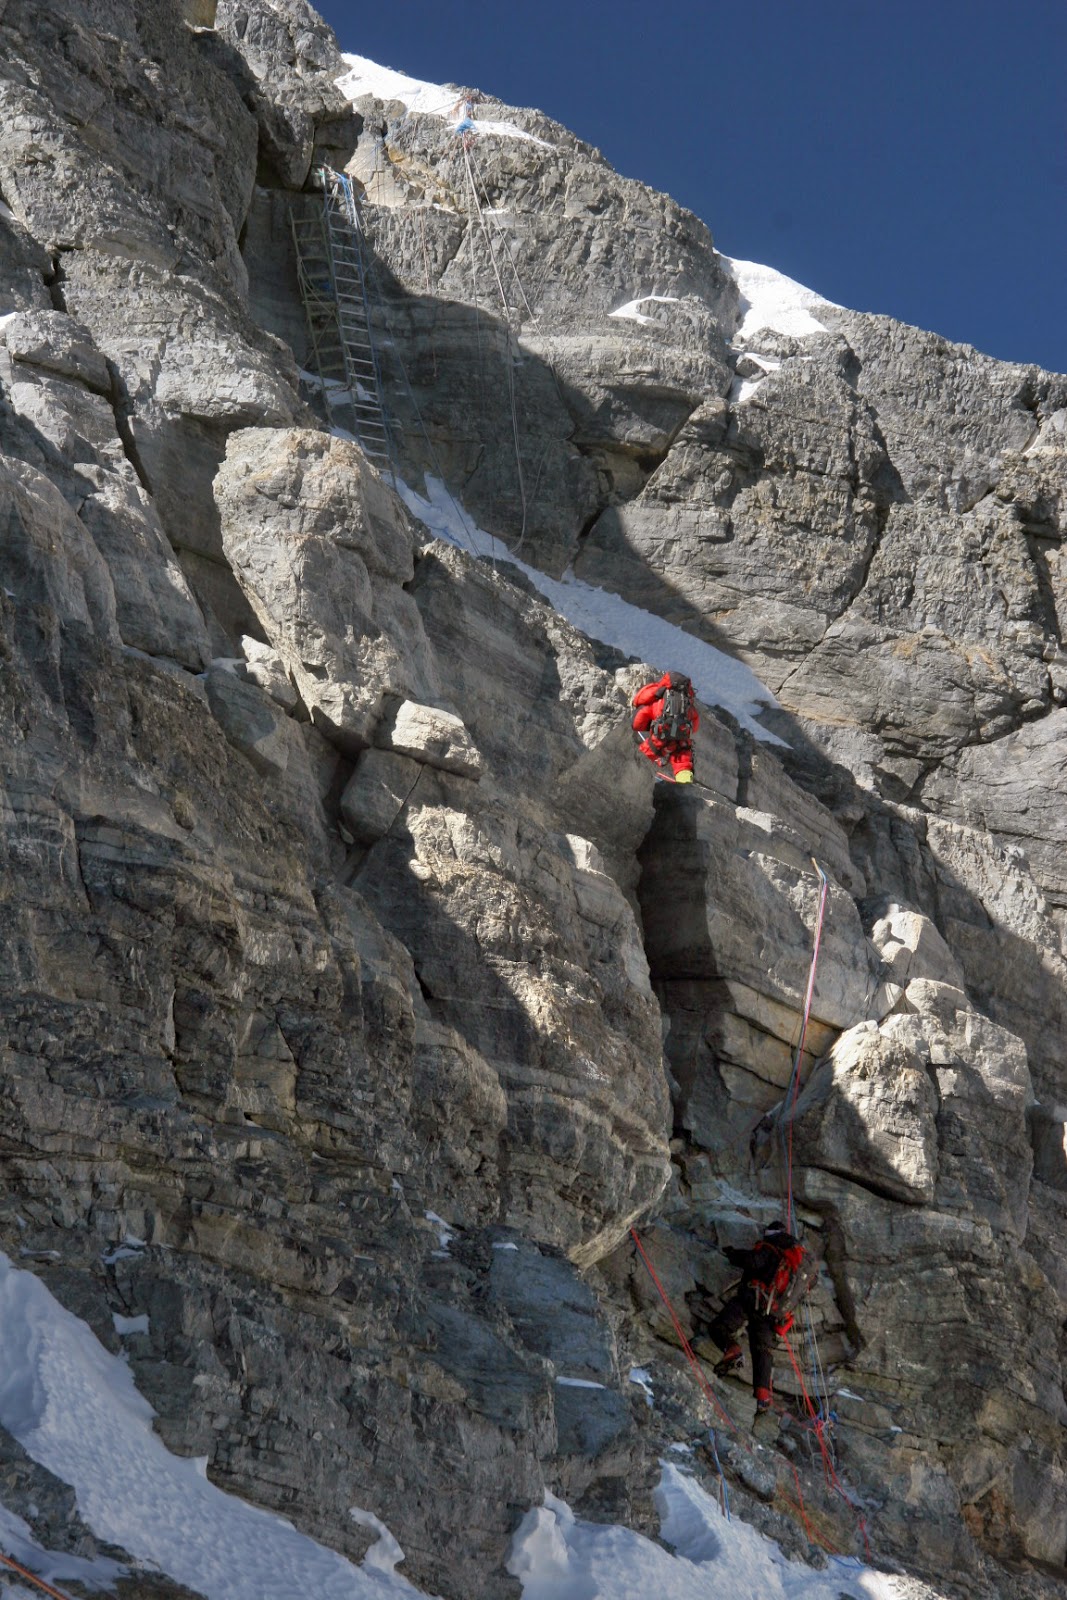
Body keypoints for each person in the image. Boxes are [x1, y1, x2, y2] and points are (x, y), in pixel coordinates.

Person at [705, 1220, 806, 1424]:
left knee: (719, 1327)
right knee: (762, 1351)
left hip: (753, 1298)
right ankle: (763, 1398)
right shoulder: (796, 1259)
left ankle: (732, 1349)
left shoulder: (770, 1247)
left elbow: (754, 1261)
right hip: (775, 1312)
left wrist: (733, 1254)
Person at [632, 671, 699, 783]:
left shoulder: (659, 702)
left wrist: (648, 726)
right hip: (681, 738)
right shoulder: (688, 703)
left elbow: (638, 721)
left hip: (660, 736)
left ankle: (637, 778)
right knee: (683, 762)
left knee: (646, 754)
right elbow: (695, 727)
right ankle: (684, 784)